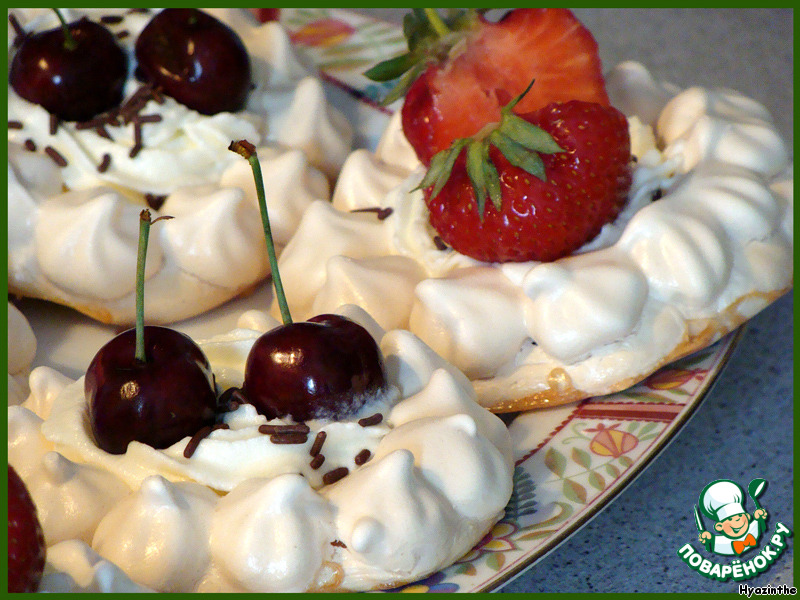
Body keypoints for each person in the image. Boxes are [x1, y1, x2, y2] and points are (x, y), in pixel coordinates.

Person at [697, 480, 767, 556]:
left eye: (740, 516)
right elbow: (714, 542)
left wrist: (759, 517)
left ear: (748, 516)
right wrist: (708, 539)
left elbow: (758, 525)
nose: (737, 521)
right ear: (719, 526)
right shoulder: (724, 543)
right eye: (730, 519)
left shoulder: (753, 529)